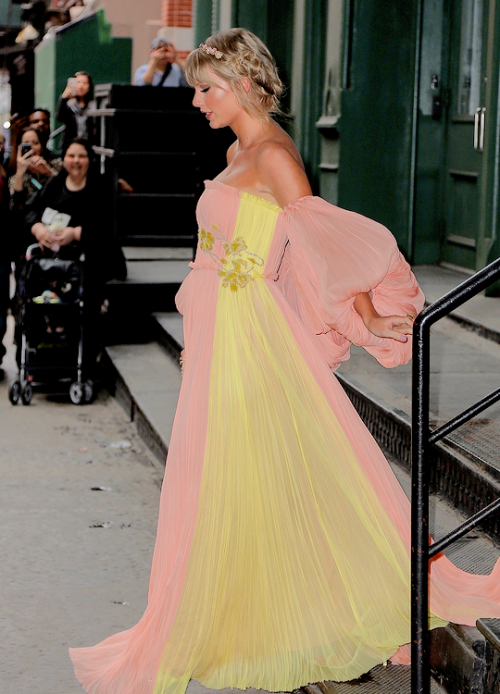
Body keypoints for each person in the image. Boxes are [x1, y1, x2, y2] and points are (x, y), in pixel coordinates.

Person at [69, 29, 500, 694]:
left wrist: (364, 314)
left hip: (252, 340)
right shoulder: (239, 147)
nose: (197, 103)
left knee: (258, 478)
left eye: (207, 90)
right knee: (228, 485)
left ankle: (308, 613)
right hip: (221, 338)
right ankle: (242, 618)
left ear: (243, 83)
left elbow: (326, 245)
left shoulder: (273, 153)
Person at [24, 137, 117, 373]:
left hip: (90, 257)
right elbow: (32, 210)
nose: (76, 161)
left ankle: (82, 363)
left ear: (90, 160)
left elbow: (109, 227)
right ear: (63, 159)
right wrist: (38, 229)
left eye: (82, 156)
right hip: (54, 258)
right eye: (71, 156)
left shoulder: (101, 186)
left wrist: (76, 233)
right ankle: (38, 357)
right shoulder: (55, 184)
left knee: (87, 299)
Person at [56, 71, 96, 153]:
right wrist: (64, 97)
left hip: (89, 146)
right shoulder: (69, 104)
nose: (81, 86)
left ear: (89, 86)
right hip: (70, 146)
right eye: (78, 82)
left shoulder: (94, 106)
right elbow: (59, 117)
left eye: (84, 83)